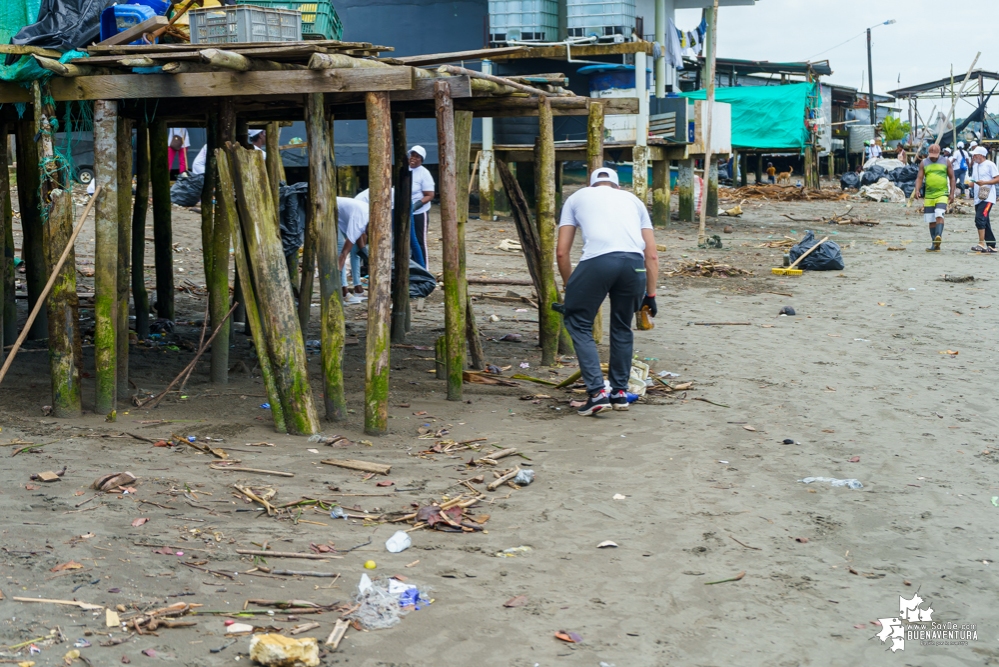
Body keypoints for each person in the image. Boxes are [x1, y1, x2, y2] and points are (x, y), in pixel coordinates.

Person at [556, 167, 659, 416]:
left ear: (591, 185)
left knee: (578, 323)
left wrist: (572, 287)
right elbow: (652, 254)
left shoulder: (576, 197)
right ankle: (619, 393)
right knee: (622, 326)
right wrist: (651, 295)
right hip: (634, 267)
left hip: (597, 263)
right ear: (617, 186)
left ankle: (596, 393)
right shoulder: (634, 201)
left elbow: (561, 252)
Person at [913, 143, 956, 252]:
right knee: (931, 219)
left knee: (939, 213)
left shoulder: (946, 162)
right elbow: (919, 178)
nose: (932, 157)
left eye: (934, 156)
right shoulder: (923, 163)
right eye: (931, 155)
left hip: (942, 193)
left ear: (939, 153)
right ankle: (935, 244)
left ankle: (938, 236)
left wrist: (951, 193)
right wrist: (917, 190)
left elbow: (952, 178)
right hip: (929, 195)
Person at [336, 196, 369, 304]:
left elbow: (359, 237)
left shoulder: (369, 217)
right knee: (341, 247)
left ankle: (355, 289)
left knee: (356, 249)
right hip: (327, 210)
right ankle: (342, 292)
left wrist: (365, 254)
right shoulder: (359, 222)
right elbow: (344, 254)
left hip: (341, 213)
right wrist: (336, 275)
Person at [968, 146, 999, 253]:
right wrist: (968, 184)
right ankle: (991, 245)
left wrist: (985, 183)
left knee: (980, 218)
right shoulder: (976, 166)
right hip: (978, 196)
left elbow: (997, 178)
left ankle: (981, 243)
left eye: (975, 155)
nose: (974, 156)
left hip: (988, 197)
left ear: (981, 155)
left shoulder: (990, 164)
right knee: (985, 221)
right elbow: (973, 181)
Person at [409, 145, 434, 268]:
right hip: (405, 211)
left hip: (419, 212)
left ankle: (424, 269)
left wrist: (415, 206)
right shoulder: (405, 170)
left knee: (419, 241)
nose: (413, 158)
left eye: (417, 156)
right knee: (408, 241)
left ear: (421, 159)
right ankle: (413, 268)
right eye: (412, 155)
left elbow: (429, 195)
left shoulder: (424, 173)